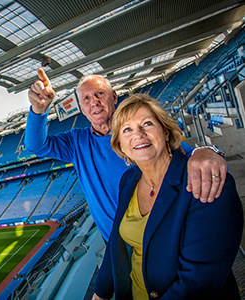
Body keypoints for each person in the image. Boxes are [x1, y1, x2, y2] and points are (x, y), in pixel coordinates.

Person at [25, 68, 227, 241]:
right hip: (115, 243)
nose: (94, 102)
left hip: (161, 234)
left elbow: (183, 151)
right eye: (86, 98)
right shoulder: (75, 142)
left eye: (99, 94)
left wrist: (207, 151)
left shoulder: (137, 133)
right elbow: (35, 145)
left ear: (114, 97)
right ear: (81, 109)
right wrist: (39, 109)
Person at [92, 93, 243, 299]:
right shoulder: (129, 180)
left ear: (165, 132)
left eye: (147, 124)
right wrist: (100, 293)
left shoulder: (205, 181)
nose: (138, 134)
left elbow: (197, 283)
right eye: (127, 130)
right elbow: (116, 244)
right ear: (120, 146)